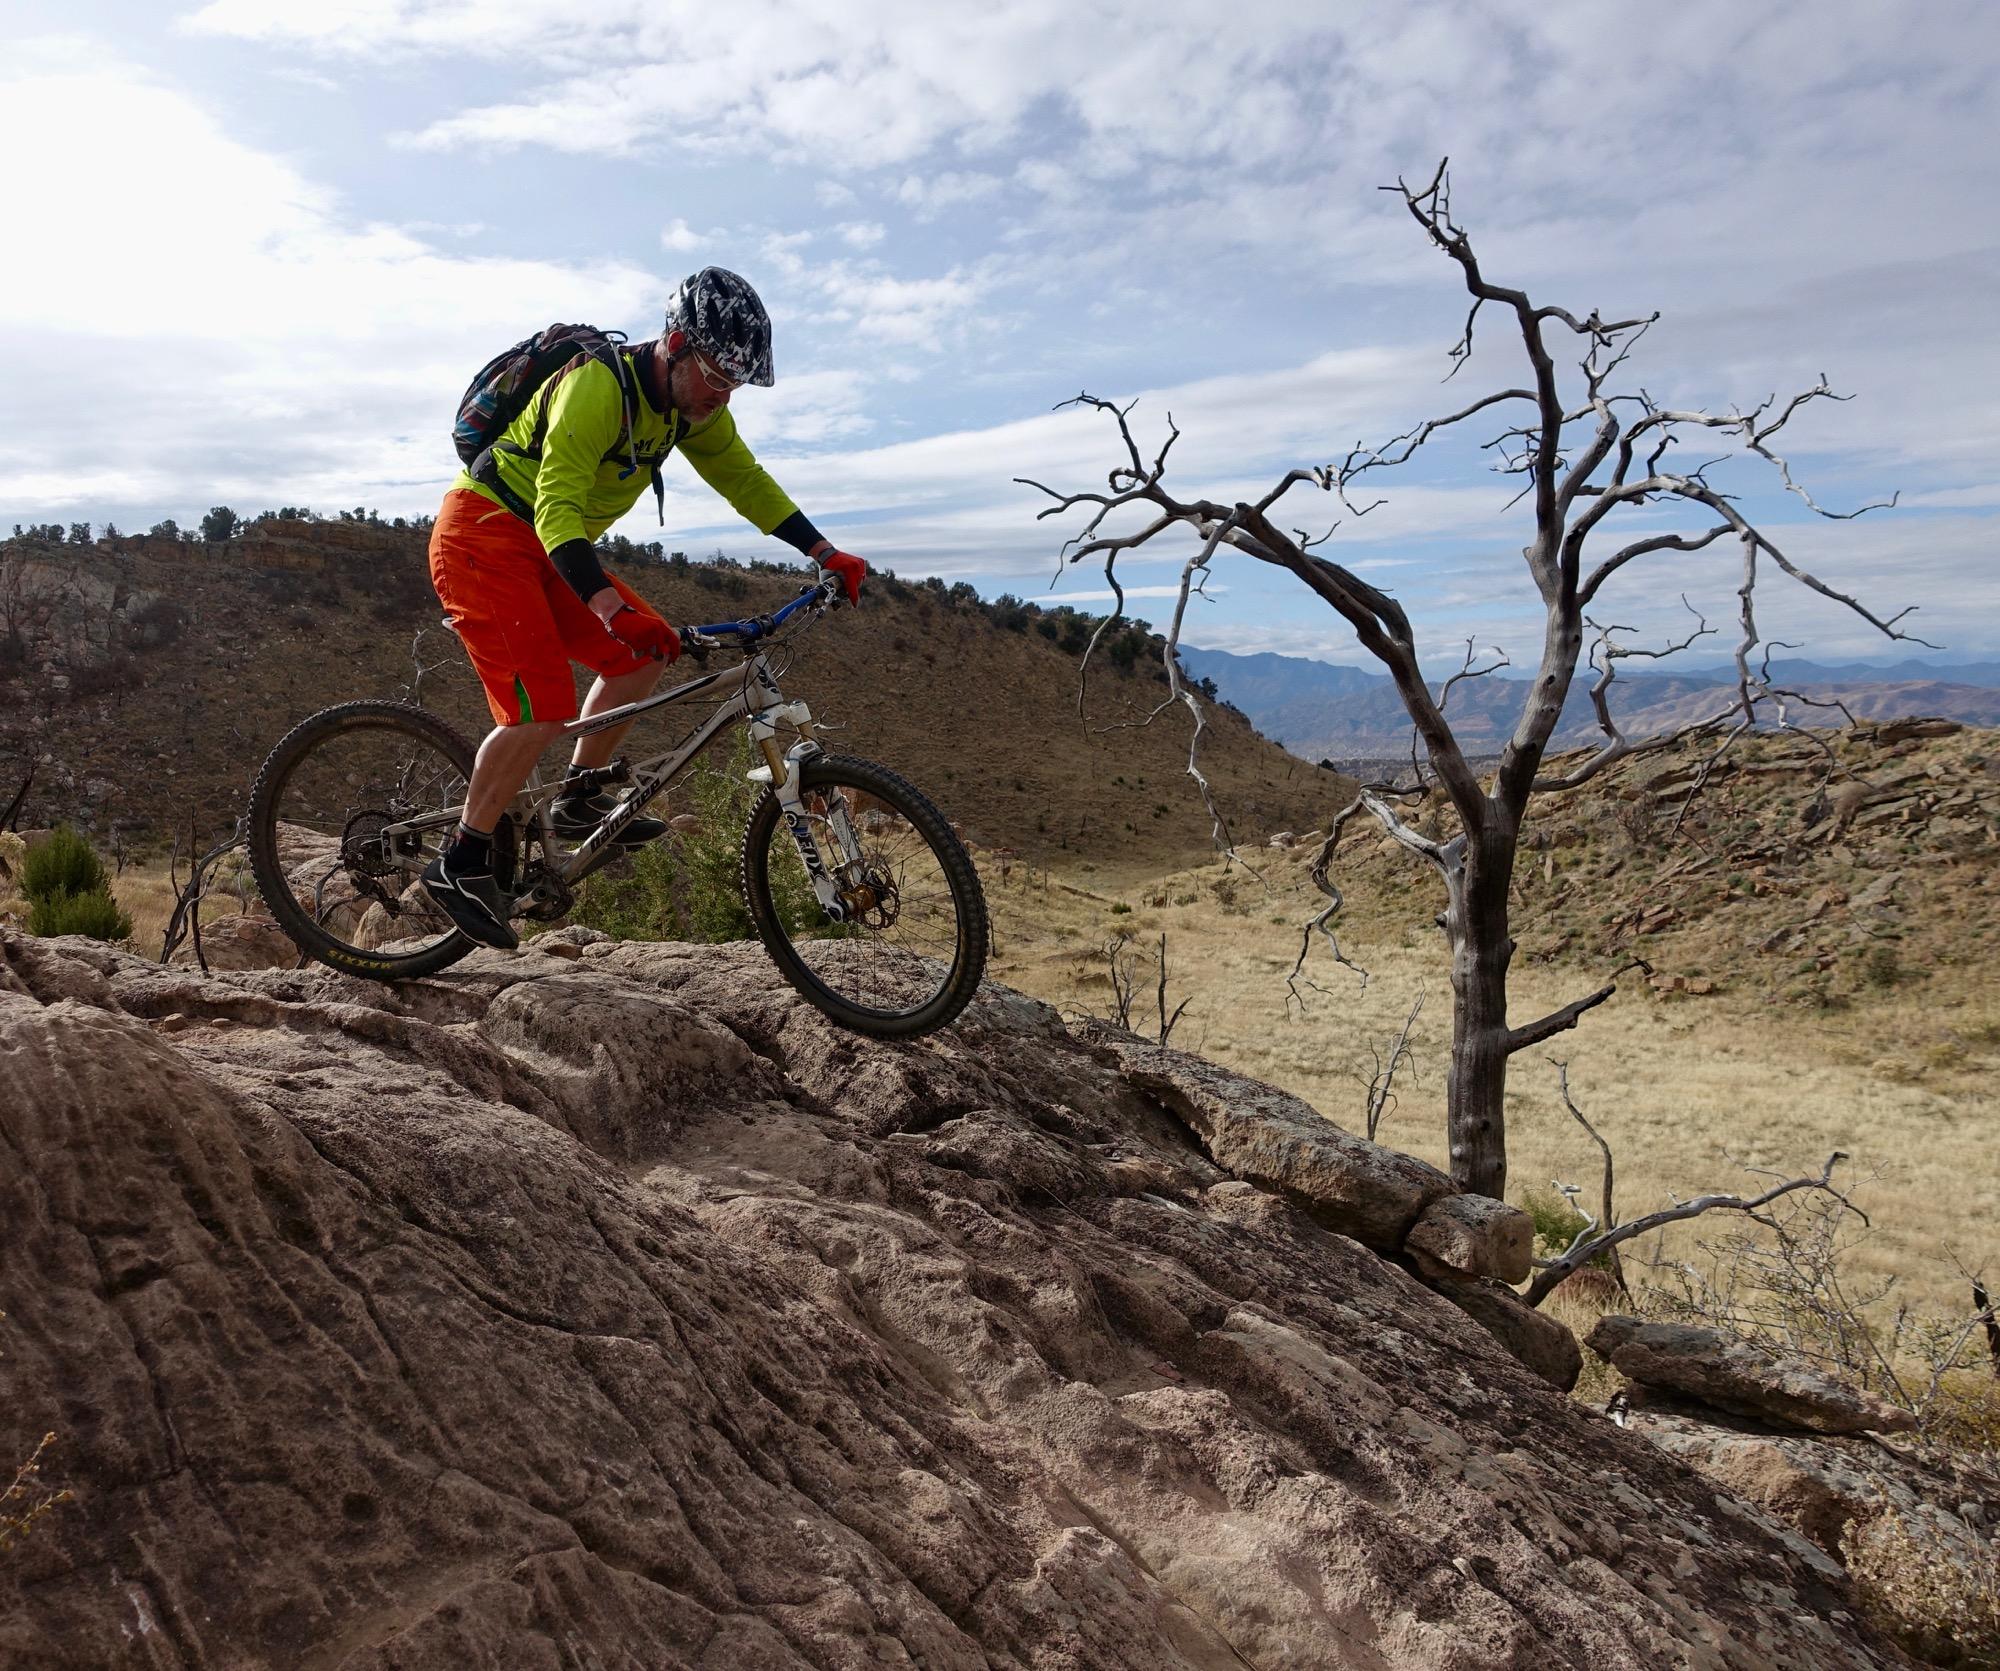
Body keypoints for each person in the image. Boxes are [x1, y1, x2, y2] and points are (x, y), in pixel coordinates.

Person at [421, 266, 866, 950]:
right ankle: (461, 859)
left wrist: (824, 550)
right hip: (483, 531)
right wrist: (606, 604)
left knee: (643, 651)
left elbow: (743, 479)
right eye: (716, 376)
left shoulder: (689, 410)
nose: (723, 397)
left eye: (735, 384)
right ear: (677, 343)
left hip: (543, 545)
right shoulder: (597, 388)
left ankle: (578, 797)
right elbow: (557, 506)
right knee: (541, 705)